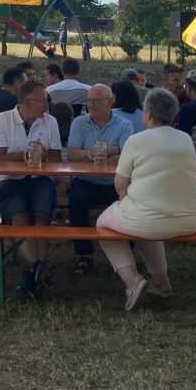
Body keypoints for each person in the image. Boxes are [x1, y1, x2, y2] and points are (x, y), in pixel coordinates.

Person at [96, 88, 196, 310]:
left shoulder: (136, 140)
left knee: (103, 225)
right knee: (146, 222)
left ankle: (132, 280)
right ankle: (162, 283)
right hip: (190, 219)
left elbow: (120, 183)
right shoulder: (185, 139)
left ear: (148, 114)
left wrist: (126, 201)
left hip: (147, 218)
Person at [0, 80, 62, 299]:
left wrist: (46, 154)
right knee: (19, 219)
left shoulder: (51, 122)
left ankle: (32, 274)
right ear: (27, 103)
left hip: (40, 179)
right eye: (43, 101)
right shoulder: (3, 120)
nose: (47, 105)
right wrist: (23, 155)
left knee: (41, 219)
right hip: (10, 180)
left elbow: (57, 158)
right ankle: (38, 267)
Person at [67, 84, 134, 275]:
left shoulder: (124, 125)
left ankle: (125, 256)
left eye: (96, 100)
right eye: (88, 100)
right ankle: (84, 254)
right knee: (76, 199)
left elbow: (125, 158)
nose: (91, 104)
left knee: (126, 205)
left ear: (110, 101)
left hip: (115, 183)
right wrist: (104, 152)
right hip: (86, 181)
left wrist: (88, 155)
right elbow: (71, 154)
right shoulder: (79, 123)